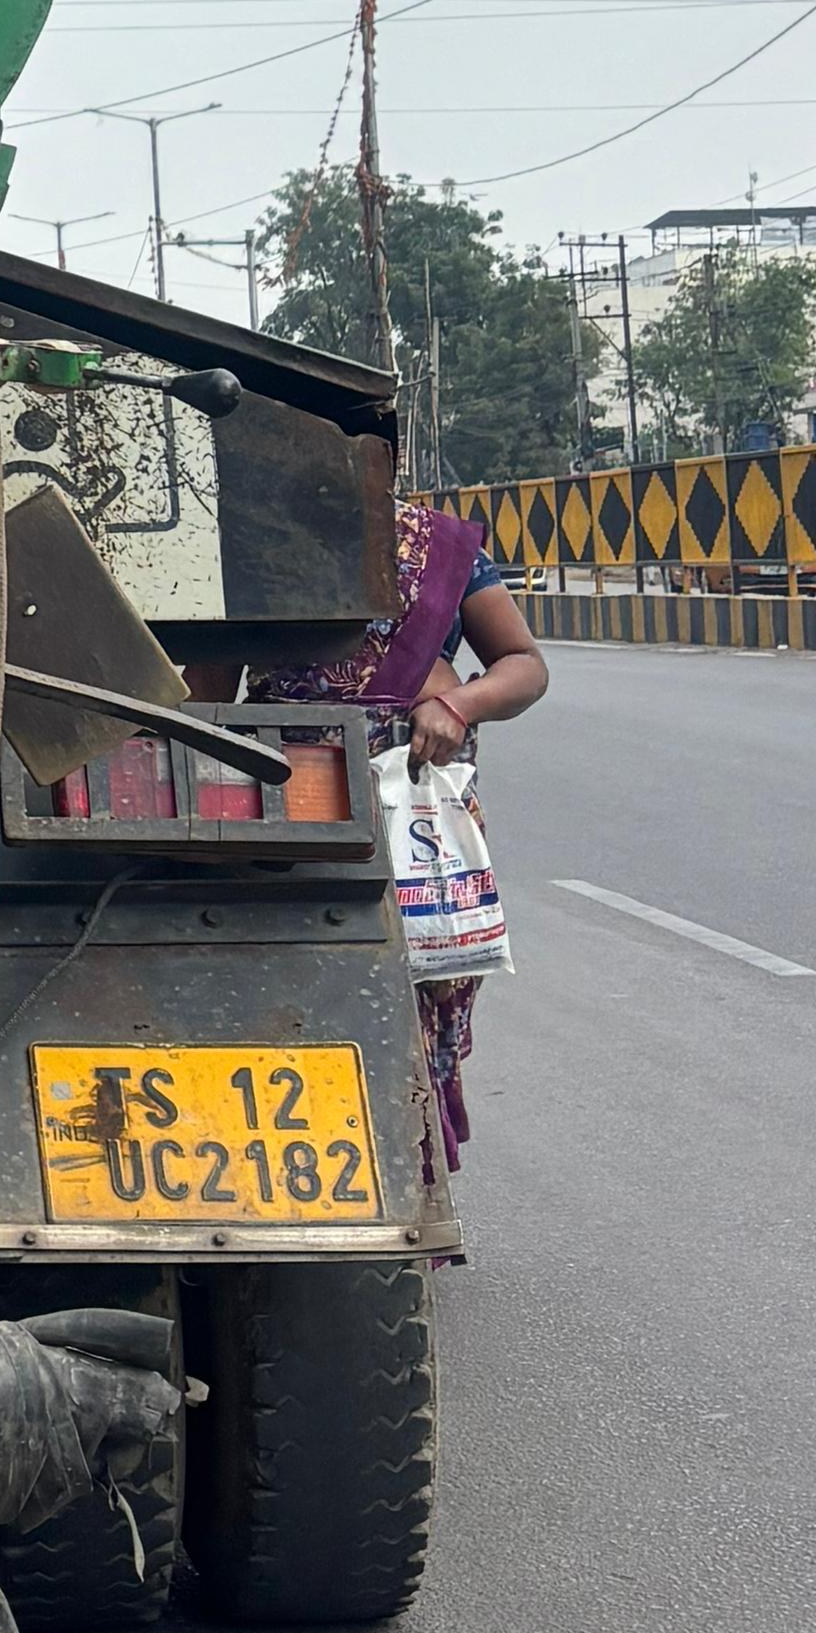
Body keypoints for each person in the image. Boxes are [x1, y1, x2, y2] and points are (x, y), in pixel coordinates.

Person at [243, 496, 547, 1191]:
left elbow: (525, 665)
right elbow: (200, 692)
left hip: (414, 807)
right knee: (302, 983)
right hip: (295, 802)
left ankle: (412, 1183)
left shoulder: (435, 545)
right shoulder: (244, 535)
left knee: (419, 989)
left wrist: (457, 704)